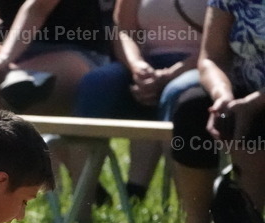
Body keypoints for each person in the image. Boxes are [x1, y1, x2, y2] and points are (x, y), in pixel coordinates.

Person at [74, 0, 206, 201]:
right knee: (96, 84)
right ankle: (82, 206)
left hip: (202, 68)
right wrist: (138, 67)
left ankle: (191, 213)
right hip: (146, 66)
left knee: (176, 92)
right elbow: (123, 30)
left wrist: (169, 75)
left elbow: (221, 42)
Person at [169, 0, 265, 223]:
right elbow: (211, 57)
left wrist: (253, 104)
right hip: (241, 91)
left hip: (257, 99)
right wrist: (223, 98)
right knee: (191, 109)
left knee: (258, 123)